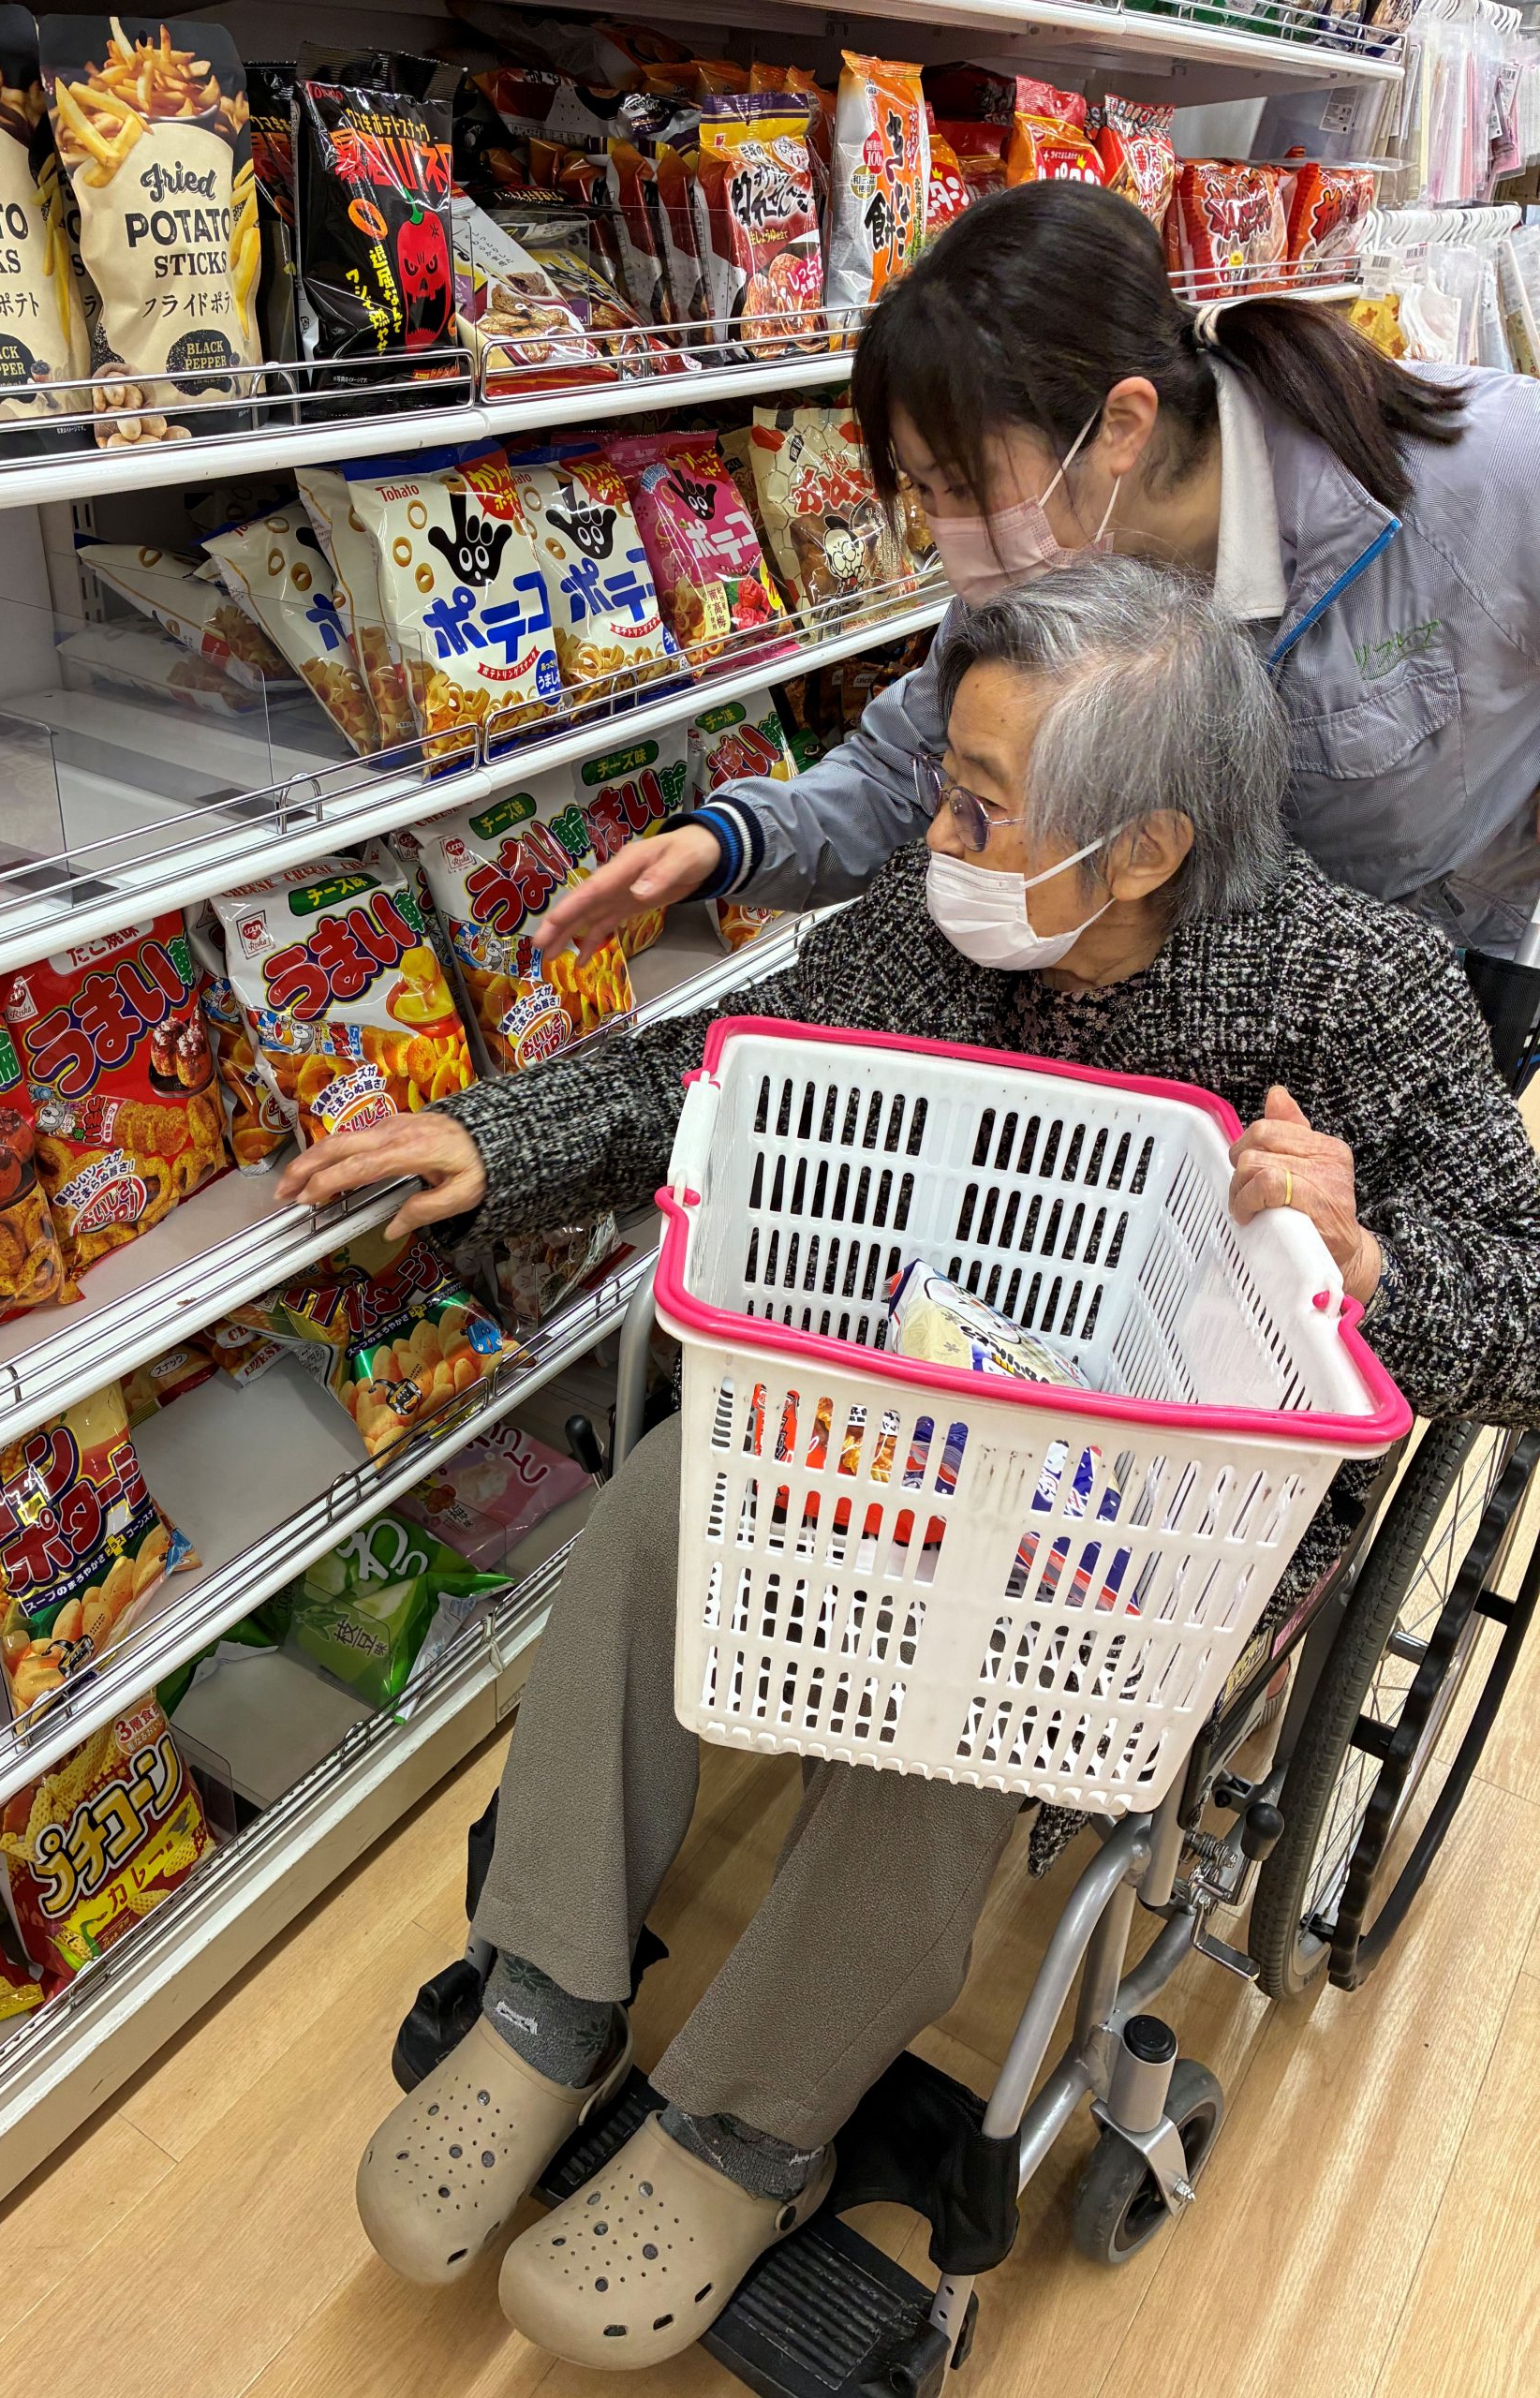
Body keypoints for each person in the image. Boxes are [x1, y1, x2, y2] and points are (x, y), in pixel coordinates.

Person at [278, 558, 1540, 2374]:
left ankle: (748, 2123)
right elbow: (729, 1071)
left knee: (969, 1684)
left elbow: (1528, 1307)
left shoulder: (1362, 990)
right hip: (912, 1401)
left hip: (1162, 1528)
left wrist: (1368, 1265)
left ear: (1143, 848)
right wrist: (502, 1136)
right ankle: (544, 1988)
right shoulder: (940, 929)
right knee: (672, 1492)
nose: (933, 835)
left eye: (979, 805)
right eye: (945, 783)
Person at [539, 180, 1540, 967]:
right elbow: (913, 767)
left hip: (1435, 968)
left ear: (1122, 425)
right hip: (1180, 999)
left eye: (962, 485)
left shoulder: (1487, 481)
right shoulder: (1047, 567)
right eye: (924, 490)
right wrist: (725, 844)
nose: (947, 533)